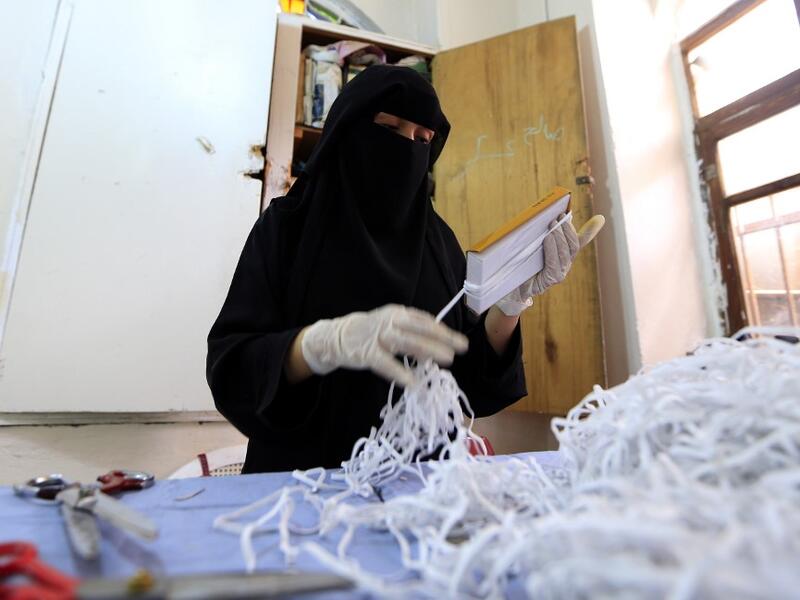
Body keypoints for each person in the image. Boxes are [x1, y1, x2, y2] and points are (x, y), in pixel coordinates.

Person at [206, 65, 583, 473]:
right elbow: (233, 369)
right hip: (301, 489)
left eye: (423, 139)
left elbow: (469, 382)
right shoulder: (289, 226)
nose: (407, 149)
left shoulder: (437, 242)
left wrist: (509, 302)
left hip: (419, 488)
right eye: (389, 128)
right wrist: (319, 345)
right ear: (347, 131)